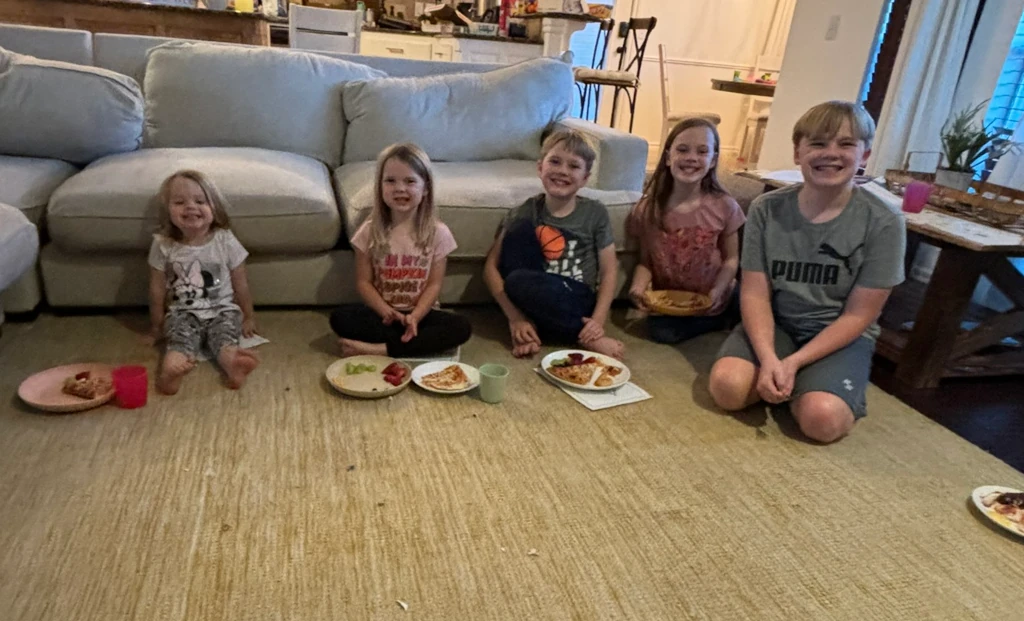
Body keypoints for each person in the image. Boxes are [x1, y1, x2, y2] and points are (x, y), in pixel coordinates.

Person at [708, 101, 905, 443]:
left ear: (865, 155)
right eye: (817, 143)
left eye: (845, 144)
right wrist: (769, 357)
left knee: (823, 421)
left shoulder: (885, 221)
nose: (831, 153)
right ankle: (786, 379)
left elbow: (860, 315)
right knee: (726, 389)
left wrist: (795, 362)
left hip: (838, 336)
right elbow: (755, 292)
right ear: (798, 152)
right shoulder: (766, 209)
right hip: (778, 325)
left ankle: (805, 384)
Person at [483, 129, 623, 359]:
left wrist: (597, 323)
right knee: (519, 237)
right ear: (540, 168)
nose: (562, 171)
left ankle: (584, 336)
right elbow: (491, 268)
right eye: (555, 162)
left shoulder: (594, 212)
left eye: (574, 166)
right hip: (533, 296)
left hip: (574, 298)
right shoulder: (524, 210)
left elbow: (609, 271)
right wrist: (516, 319)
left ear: (586, 178)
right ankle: (530, 331)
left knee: (521, 281)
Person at [330, 143, 471, 358]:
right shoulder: (369, 232)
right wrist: (386, 312)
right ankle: (410, 347)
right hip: (384, 315)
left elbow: (434, 284)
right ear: (380, 187)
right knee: (339, 318)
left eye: (410, 181)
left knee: (461, 327)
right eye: (390, 181)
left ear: (425, 189)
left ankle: (380, 350)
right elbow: (363, 283)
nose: (400, 188)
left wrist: (415, 316)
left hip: (422, 314)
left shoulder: (438, 233)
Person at [627, 117, 745, 344]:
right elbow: (646, 261)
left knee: (751, 305)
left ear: (713, 161)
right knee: (661, 333)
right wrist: (638, 287)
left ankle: (724, 318)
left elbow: (732, 260)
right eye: (683, 149)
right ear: (668, 156)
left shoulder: (725, 206)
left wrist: (719, 290)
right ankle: (718, 323)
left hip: (718, 294)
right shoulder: (648, 209)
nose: (691, 158)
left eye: (702, 152)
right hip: (673, 302)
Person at [148, 170, 260, 394]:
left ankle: (233, 366)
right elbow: (156, 288)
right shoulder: (163, 244)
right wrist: (157, 324)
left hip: (223, 310)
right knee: (179, 342)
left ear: (214, 208)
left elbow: (241, 283)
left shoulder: (225, 240)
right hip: (182, 312)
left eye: (200, 201)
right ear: (168, 210)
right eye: (179, 202)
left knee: (225, 340)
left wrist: (248, 316)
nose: (190, 207)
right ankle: (170, 374)